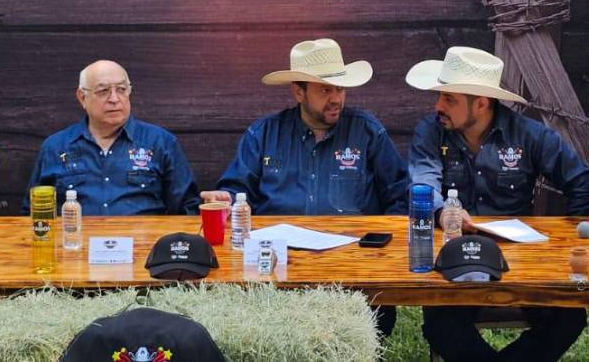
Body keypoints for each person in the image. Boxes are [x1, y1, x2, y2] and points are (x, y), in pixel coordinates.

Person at [201, 39, 408, 336]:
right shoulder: (263, 133)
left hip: (352, 265)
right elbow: (236, 190)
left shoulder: (366, 131)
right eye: (325, 90)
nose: (336, 98)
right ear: (298, 92)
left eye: (340, 89)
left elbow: (400, 193)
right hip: (277, 265)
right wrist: (226, 199)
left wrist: (380, 252)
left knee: (370, 327)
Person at [408, 46, 589, 361]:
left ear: (481, 103)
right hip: (455, 253)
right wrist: (442, 212)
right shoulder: (430, 132)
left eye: (449, 99)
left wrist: (569, 237)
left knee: (568, 317)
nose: (438, 105)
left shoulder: (529, 135)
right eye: (440, 96)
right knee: (440, 323)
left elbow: (582, 183)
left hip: (518, 257)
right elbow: (422, 183)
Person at [25, 60, 201, 215]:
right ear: (82, 98)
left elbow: (188, 209)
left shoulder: (160, 142)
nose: (115, 99)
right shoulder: (55, 148)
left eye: (121, 90)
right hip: (75, 241)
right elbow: (31, 214)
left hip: (144, 242)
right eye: (103, 91)